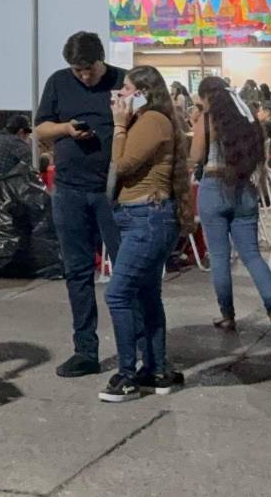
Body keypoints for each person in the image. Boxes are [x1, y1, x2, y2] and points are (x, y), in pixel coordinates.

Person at [34, 30, 124, 378]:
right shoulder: (58, 82)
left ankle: (135, 347)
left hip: (111, 191)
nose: (84, 76)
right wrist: (67, 130)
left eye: (89, 69)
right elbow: (41, 128)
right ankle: (85, 349)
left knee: (126, 270)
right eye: (78, 70)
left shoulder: (122, 81)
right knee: (77, 271)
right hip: (69, 190)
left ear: (102, 60)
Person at [100, 66, 185, 402]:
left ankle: (127, 374)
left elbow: (120, 165)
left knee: (117, 294)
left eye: (126, 89)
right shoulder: (150, 120)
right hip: (141, 217)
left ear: (144, 93)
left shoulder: (151, 121)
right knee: (146, 295)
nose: (120, 96)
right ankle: (156, 369)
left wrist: (119, 126)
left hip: (146, 219)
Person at [191, 77, 271, 336]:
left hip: (214, 187)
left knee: (220, 257)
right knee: (252, 255)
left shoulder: (206, 120)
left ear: (206, 97)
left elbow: (195, 157)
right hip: (244, 188)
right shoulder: (248, 120)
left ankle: (228, 315)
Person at [0, 111, 35, 181]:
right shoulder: (15, 142)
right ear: (21, 132)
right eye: (27, 134)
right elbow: (31, 162)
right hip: (1, 185)